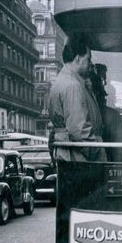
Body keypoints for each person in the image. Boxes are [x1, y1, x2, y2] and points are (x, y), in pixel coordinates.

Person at [48, 33, 107, 162]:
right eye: (88, 59)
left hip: (70, 156)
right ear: (78, 59)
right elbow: (79, 131)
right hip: (81, 160)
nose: (90, 64)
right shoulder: (73, 86)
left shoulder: (63, 80)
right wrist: (96, 153)